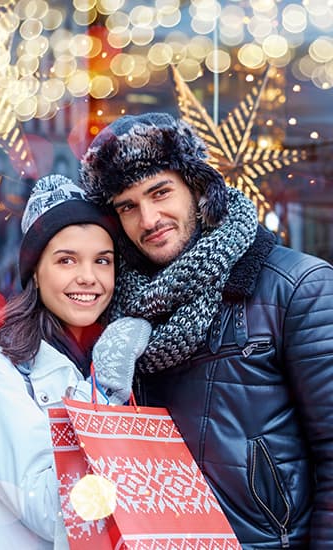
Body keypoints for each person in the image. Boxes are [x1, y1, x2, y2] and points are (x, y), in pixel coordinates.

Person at [79, 112, 333, 549]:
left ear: (197, 187)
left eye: (161, 193)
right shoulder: (117, 302)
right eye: (128, 206)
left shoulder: (296, 286)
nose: (149, 218)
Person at [0, 174, 150, 548]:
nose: (89, 277)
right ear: (35, 271)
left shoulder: (123, 361)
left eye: (103, 261)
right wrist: (102, 390)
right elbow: (51, 509)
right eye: (66, 260)